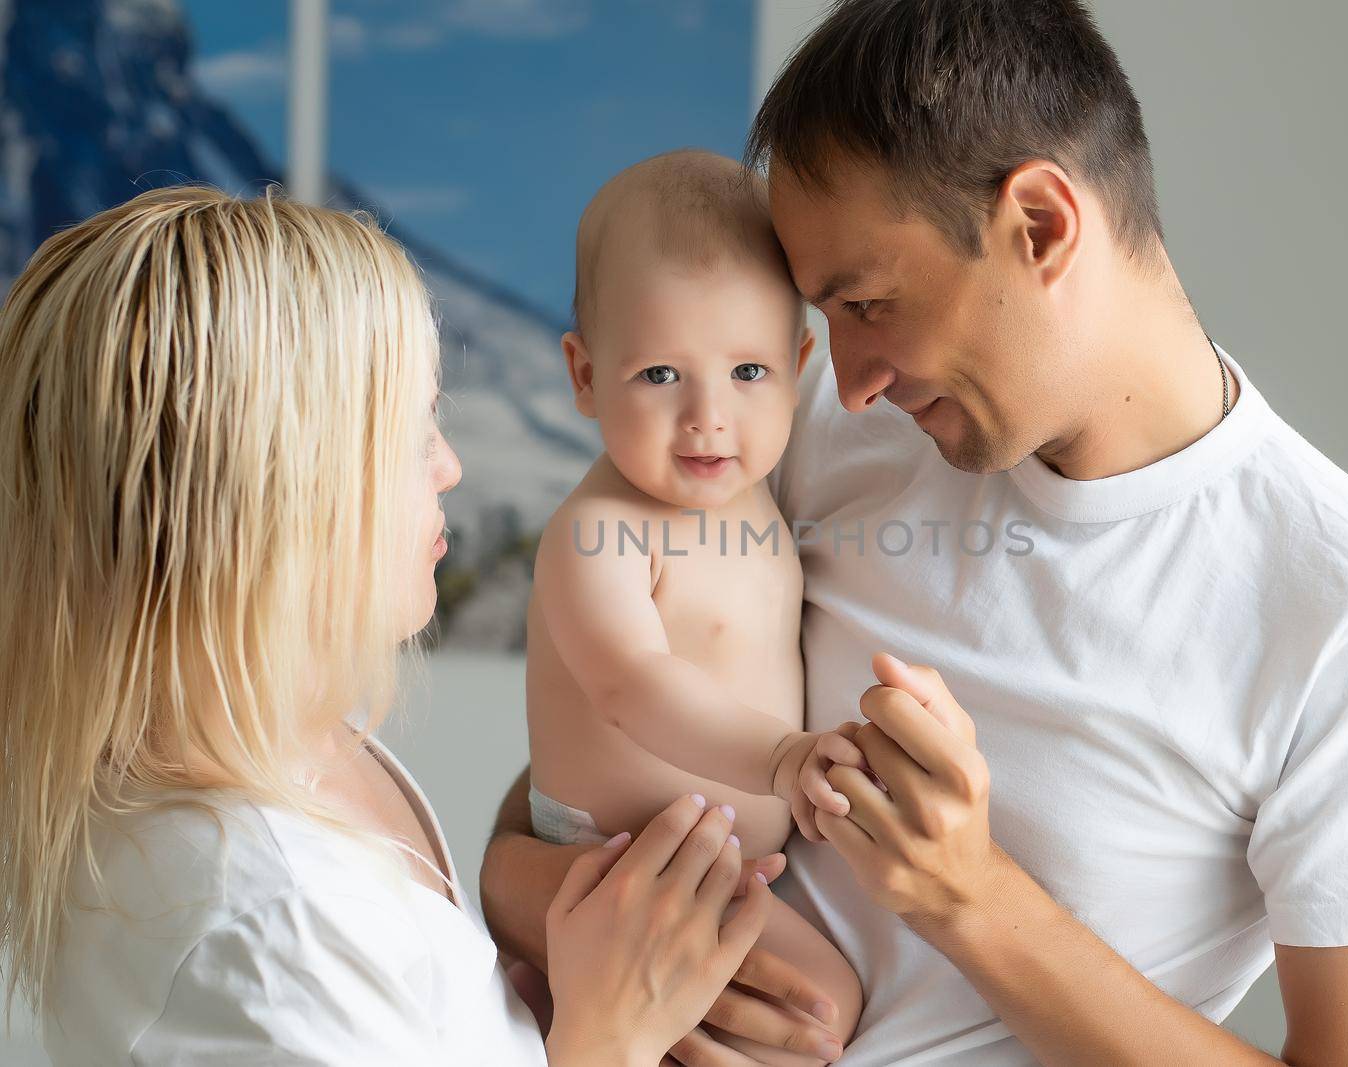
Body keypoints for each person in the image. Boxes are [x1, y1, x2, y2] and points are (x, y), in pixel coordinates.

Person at [480, 2, 1348, 1064]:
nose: (853, 374)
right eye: (820, 321)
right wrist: (533, 890)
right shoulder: (822, 424)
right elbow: (597, 732)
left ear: (1042, 226)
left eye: (868, 304)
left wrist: (973, 897)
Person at [0, 186, 793, 1066]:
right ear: (278, 490)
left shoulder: (302, 749)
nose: (449, 465)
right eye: (411, 433)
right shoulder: (269, 931)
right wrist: (609, 1037)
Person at [525, 149, 861, 1061]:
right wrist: (781, 755)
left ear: (798, 366)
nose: (710, 417)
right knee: (823, 1004)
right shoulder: (598, 531)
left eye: (748, 372)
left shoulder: (760, 496)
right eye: (662, 376)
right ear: (586, 376)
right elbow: (633, 683)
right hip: (621, 859)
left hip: (704, 864)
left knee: (805, 1018)